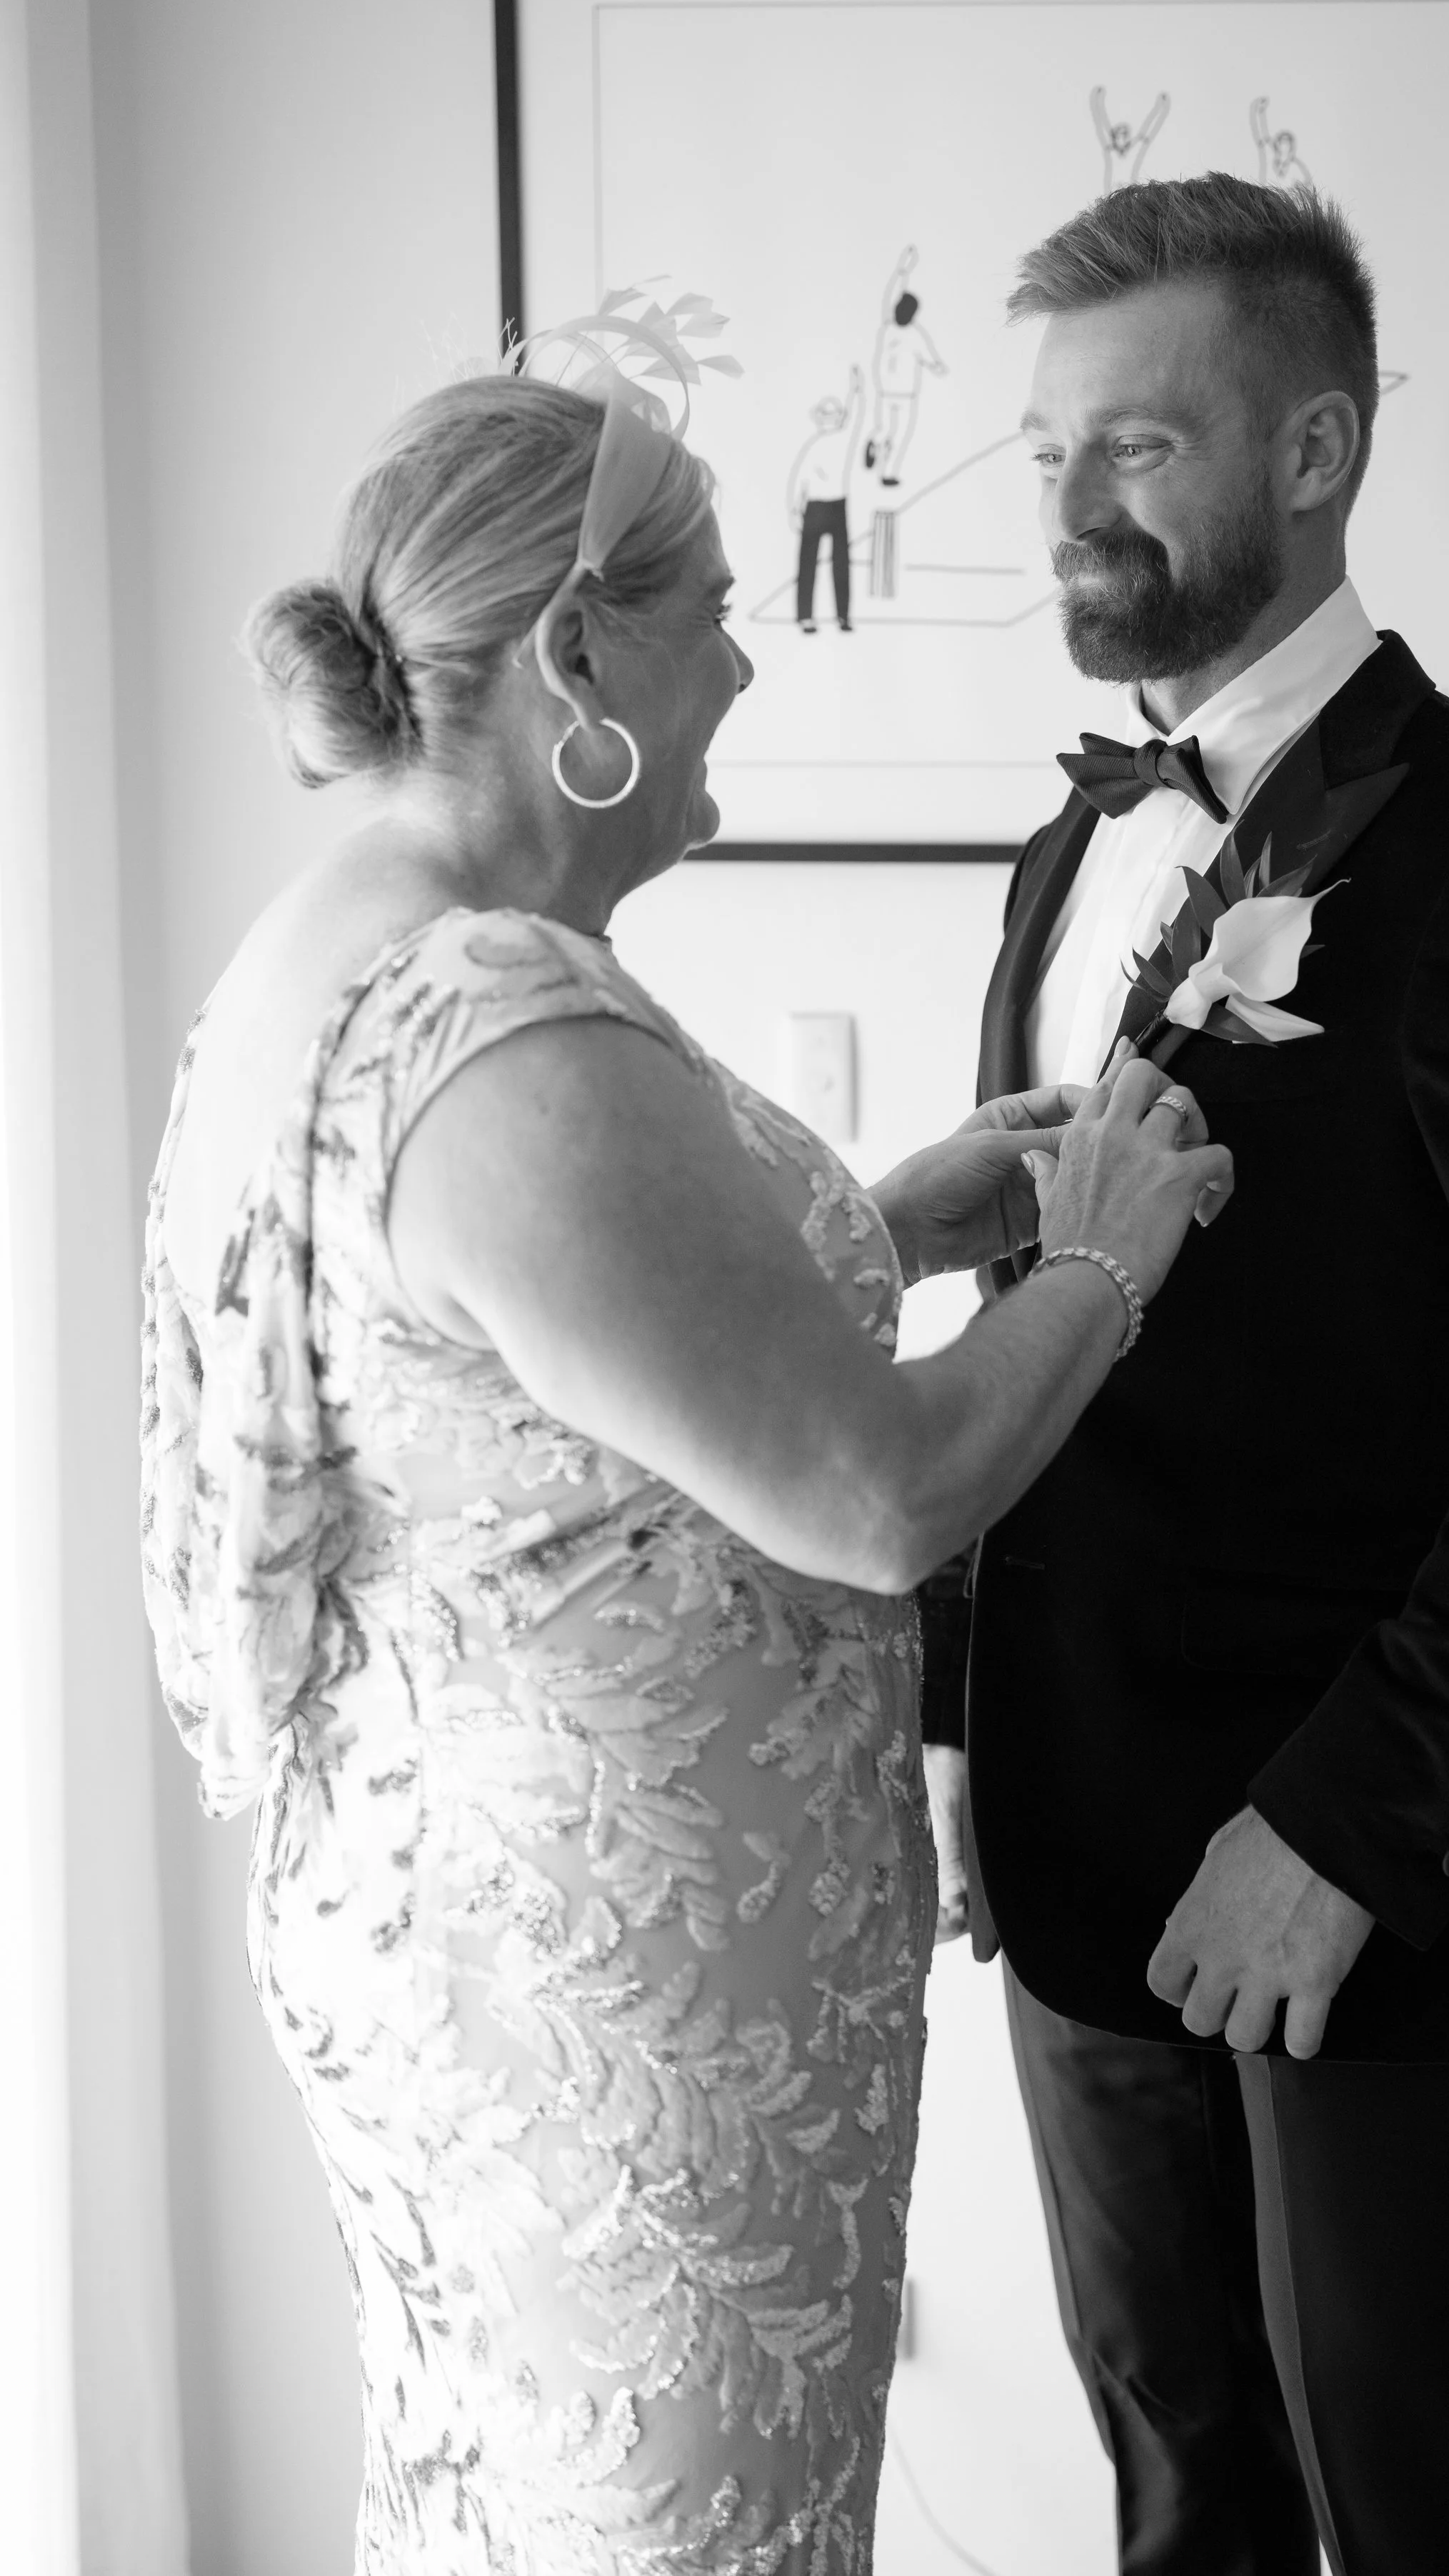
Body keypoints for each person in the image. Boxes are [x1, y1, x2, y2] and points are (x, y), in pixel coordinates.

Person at [139, 343, 1232, 2575]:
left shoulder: (378, 948)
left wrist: (895, 1212)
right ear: (576, 657)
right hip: (601, 2018)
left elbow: (571, 1364)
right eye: (711, 608)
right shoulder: (505, 1036)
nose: (743, 658)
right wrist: (1104, 1259)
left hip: (484, 1927)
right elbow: (879, 1491)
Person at [920, 173, 1449, 2576]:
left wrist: (1345, 1827)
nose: (1075, 503)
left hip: (1357, 1855)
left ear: (1309, 455)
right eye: (1050, 446)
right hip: (1072, 1835)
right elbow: (1036, 1328)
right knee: (1178, 2475)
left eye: (1141, 444)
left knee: (1407, 2494)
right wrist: (971, 1712)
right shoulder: (1061, 856)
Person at [866, 244, 948, 488]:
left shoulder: (887, 327)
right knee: (900, 435)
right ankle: (887, 473)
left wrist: (903, 268)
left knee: (884, 429)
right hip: (905, 395)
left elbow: (892, 290)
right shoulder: (915, 335)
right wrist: (938, 368)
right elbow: (933, 361)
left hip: (885, 391)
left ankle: (875, 441)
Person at [788, 363, 862, 632]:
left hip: (832, 505)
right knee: (814, 563)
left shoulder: (840, 441)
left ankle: (837, 616)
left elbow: (798, 483)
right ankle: (812, 616)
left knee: (835, 564)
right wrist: (794, 511)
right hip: (820, 506)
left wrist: (856, 390)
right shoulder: (817, 446)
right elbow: (799, 483)